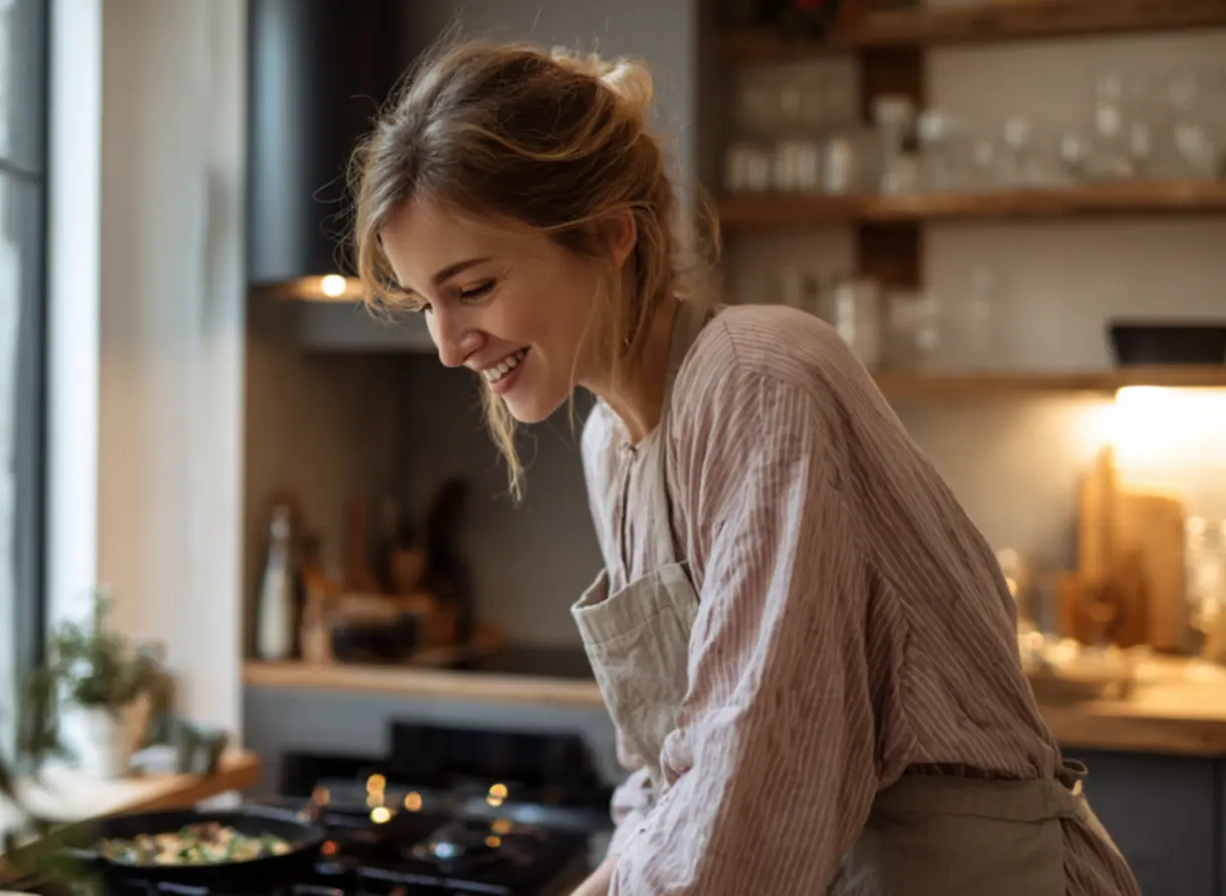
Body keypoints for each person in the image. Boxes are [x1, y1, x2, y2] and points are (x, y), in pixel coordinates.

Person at [350, 37, 1141, 896]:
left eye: (473, 289)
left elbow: (752, 773)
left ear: (610, 234)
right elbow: (667, 788)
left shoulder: (759, 377)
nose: (448, 345)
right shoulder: (611, 447)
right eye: (426, 304)